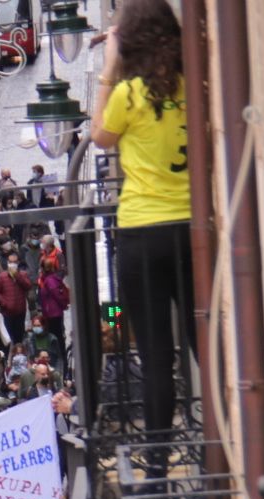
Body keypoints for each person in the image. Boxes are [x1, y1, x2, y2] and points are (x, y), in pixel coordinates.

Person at [92, 0, 192, 443]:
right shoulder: (194, 84)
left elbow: (99, 137)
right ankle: (233, 446)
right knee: (205, 344)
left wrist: (108, 68)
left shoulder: (127, 95)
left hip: (140, 231)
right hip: (193, 231)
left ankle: (156, 469)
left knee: (155, 357)